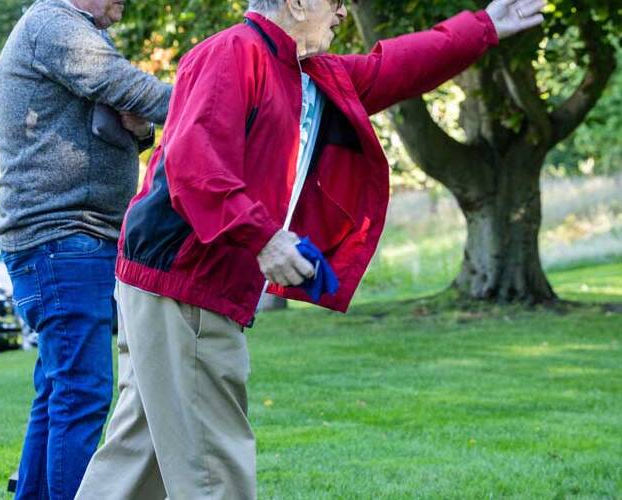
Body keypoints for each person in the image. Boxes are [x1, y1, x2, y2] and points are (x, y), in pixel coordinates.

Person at [76, 0, 545, 498]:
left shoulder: (311, 74)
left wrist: (486, 26)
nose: (343, 12)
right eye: (337, 1)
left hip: (173, 283)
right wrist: (264, 237)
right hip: (184, 283)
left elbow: (399, 64)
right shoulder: (233, 53)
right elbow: (197, 167)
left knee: (136, 461)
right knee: (215, 470)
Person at [0, 0, 172, 497]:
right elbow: (128, 87)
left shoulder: (72, 29)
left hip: (66, 242)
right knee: (82, 394)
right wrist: (209, 110)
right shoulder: (55, 25)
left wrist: (141, 130)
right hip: (63, 241)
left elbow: (111, 121)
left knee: (58, 393)